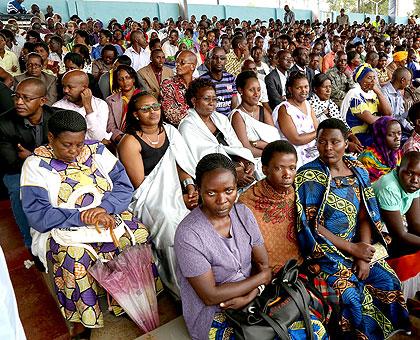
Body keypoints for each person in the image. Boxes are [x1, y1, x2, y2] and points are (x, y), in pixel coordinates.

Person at [20, 110, 150, 334]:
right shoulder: (35, 165)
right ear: (51, 138)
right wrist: (81, 216)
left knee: (137, 234)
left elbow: (123, 186)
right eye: (67, 145)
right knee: (73, 257)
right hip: (60, 226)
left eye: (79, 144)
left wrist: (103, 208)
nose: (74, 151)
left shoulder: (97, 150)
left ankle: (128, 301)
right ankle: (82, 320)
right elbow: (39, 215)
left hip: (106, 213)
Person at [296, 118, 410, 338]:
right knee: (349, 295)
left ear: (347, 142)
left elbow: (366, 214)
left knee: (388, 279)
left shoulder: (358, 169)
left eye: (335, 142)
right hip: (325, 251)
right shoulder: (309, 175)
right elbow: (313, 225)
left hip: (358, 243)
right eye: (322, 142)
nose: (328, 148)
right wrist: (352, 249)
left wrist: (363, 253)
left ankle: (393, 332)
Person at [118, 91, 197, 297]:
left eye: (155, 106)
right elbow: (142, 184)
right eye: (145, 109)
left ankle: (204, 273)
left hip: (177, 191)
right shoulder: (130, 142)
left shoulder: (170, 131)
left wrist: (189, 187)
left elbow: (183, 166)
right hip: (149, 198)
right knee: (169, 220)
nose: (153, 112)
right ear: (135, 115)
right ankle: (179, 283)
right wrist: (176, 198)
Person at [0, 78, 57, 249]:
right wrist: (46, 156)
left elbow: (66, 153)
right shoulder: (4, 123)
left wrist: (32, 155)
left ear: (42, 101)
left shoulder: (56, 118)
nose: (19, 102)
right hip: (18, 171)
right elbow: (11, 163)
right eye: (16, 96)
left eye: (26, 98)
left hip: (51, 165)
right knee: (19, 190)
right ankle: (30, 242)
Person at [178, 79, 256, 189]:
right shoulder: (187, 126)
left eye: (214, 99)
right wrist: (233, 173)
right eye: (206, 99)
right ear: (194, 101)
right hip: (215, 176)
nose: (212, 103)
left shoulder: (221, 119)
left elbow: (236, 146)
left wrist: (247, 162)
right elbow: (202, 159)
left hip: (238, 167)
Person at [373, 151, 420, 299]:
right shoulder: (389, 186)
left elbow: (415, 223)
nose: (415, 180)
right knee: (410, 252)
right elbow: (400, 235)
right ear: (399, 168)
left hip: (390, 230)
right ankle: (401, 298)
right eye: (410, 173)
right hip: (372, 233)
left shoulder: (412, 185)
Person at [229, 71, 279, 178]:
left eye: (259, 90)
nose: (256, 94)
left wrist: (258, 144)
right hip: (252, 162)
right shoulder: (238, 115)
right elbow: (246, 148)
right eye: (251, 90)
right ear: (240, 90)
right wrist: (271, 152)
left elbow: (275, 140)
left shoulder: (263, 110)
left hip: (270, 157)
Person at [273, 71, 318, 168]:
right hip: (294, 155)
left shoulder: (307, 104)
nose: (304, 91)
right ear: (290, 89)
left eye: (306, 87)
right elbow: (295, 139)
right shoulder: (284, 109)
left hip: (313, 150)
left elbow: (317, 127)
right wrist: (318, 132)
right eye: (299, 88)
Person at [341, 63, 392, 147]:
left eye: (374, 78)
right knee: (385, 141)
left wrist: (379, 93)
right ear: (360, 79)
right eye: (369, 78)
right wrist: (388, 119)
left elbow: (388, 113)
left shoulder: (371, 94)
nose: (373, 81)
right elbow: (371, 120)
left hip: (370, 132)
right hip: (357, 136)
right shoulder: (355, 95)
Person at [53, 70, 111, 142]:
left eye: (70, 87)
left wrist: (88, 108)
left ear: (85, 88)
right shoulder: (58, 107)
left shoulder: (100, 105)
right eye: (64, 86)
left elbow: (99, 138)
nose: (65, 90)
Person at [358, 117, 403, 182]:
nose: (397, 138)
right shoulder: (368, 158)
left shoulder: (397, 154)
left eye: (399, 133)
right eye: (391, 135)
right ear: (381, 136)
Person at [106, 65, 142, 144]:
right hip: (121, 139)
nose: (125, 82)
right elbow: (110, 126)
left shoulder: (144, 97)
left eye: (128, 78)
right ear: (117, 81)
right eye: (120, 79)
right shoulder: (111, 100)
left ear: (133, 79)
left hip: (143, 137)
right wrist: (121, 139)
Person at [160, 50, 197, 126]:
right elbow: (172, 116)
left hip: (198, 127)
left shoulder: (198, 84)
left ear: (192, 66)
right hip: (177, 129)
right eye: (176, 62)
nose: (177, 65)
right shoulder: (168, 84)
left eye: (182, 63)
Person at [199, 47, 238, 116]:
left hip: (229, 119)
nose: (219, 61)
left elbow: (234, 103)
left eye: (222, 58)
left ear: (226, 61)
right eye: (214, 58)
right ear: (209, 60)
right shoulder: (202, 80)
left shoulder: (230, 78)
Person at [381, 67, 413, 138]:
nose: (409, 84)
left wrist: (412, 129)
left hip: (397, 127)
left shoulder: (398, 93)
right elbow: (389, 117)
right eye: (409, 81)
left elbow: (400, 117)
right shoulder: (384, 92)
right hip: (387, 130)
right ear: (403, 80)